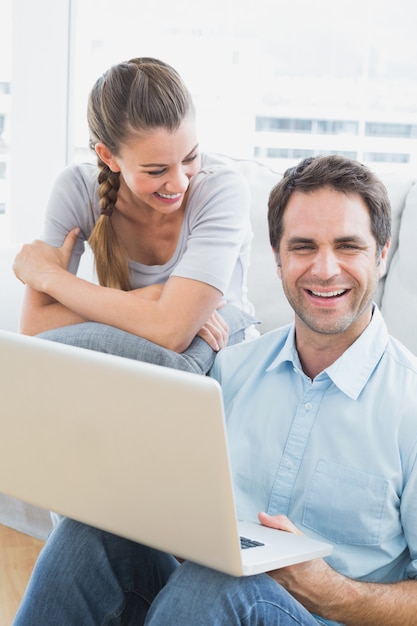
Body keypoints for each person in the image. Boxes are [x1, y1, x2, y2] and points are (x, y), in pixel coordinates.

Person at [13, 155, 417, 626]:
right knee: (92, 534)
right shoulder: (229, 373)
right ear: (278, 257)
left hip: (319, 616)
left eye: (348, 246)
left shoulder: (408, 403)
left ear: (382, 253)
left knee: (221, 586)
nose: (325, 270)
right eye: (303, 247)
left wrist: (330, 592)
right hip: (196, 608)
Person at [12, 57, 256, 375]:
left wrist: (51, 278)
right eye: (156, 170)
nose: (180, 182)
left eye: (190, 157)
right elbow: (35, 328)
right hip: (132, 369)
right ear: (108, 156)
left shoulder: (221, 188)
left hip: (225, 366)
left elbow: (172, 332)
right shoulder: (76, 189)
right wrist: (149, 299)